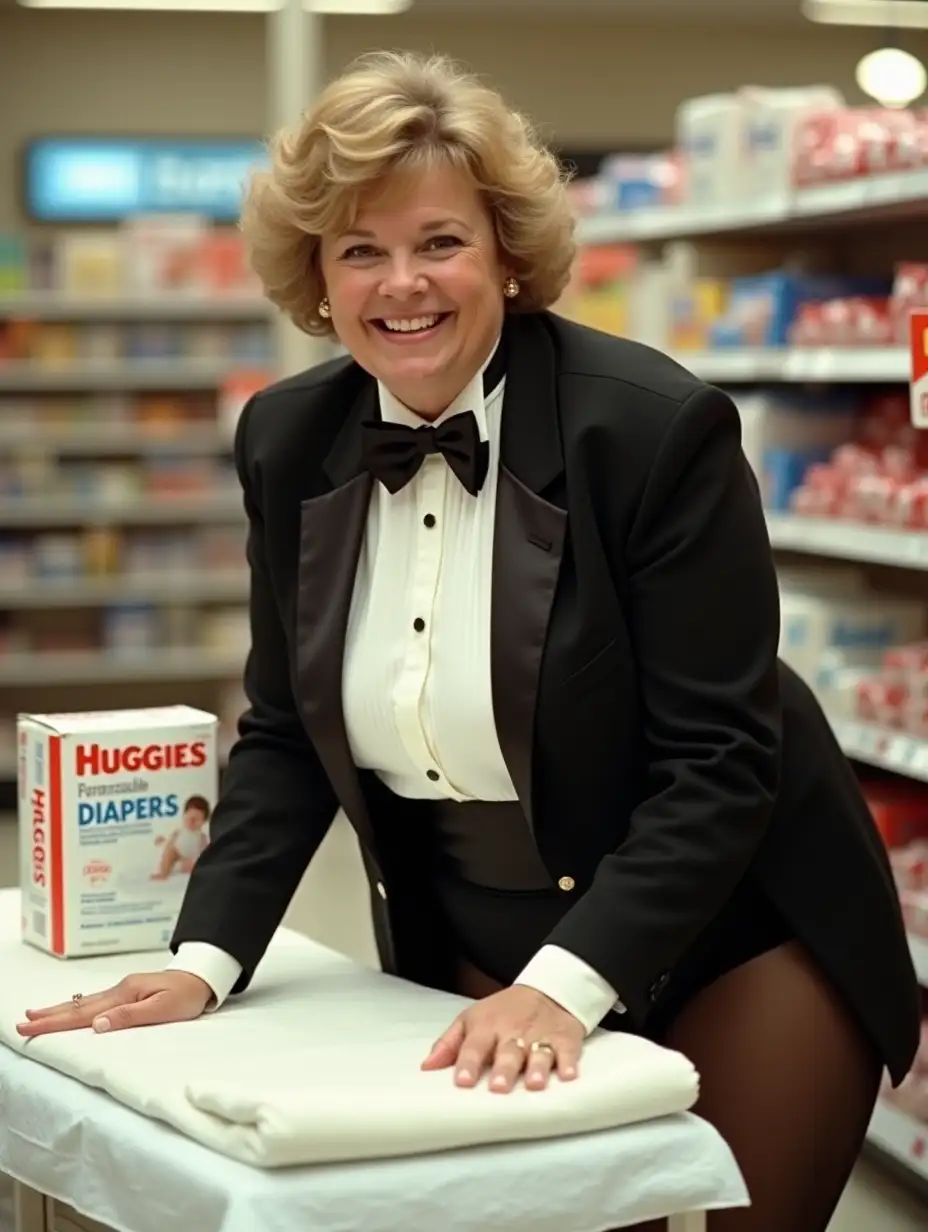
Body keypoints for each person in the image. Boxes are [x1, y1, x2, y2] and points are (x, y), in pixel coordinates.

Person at [19, 52, 920, 1232]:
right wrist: (205, 953)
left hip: (741, 918)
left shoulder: (649, 430)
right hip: (482, 915)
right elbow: (288, 731)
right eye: (361, 250)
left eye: (439, 241)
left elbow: (720, 761)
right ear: (317, 275)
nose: (403, 285)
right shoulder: (289, 440)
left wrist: (567, 986)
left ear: (505, 252)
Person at [151, 795, 211, 880]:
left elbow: (204, 851)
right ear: (184, 816)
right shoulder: (179, 832)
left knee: (198, 864)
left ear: (204, 820)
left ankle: (179, 867)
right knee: (169, 852)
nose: (191, 821)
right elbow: (170, 841)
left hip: (191, 857)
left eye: (196, 819)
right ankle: (163, 874)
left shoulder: (202, 837)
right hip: (177, 853)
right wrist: (163, 841)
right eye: (189, 818)